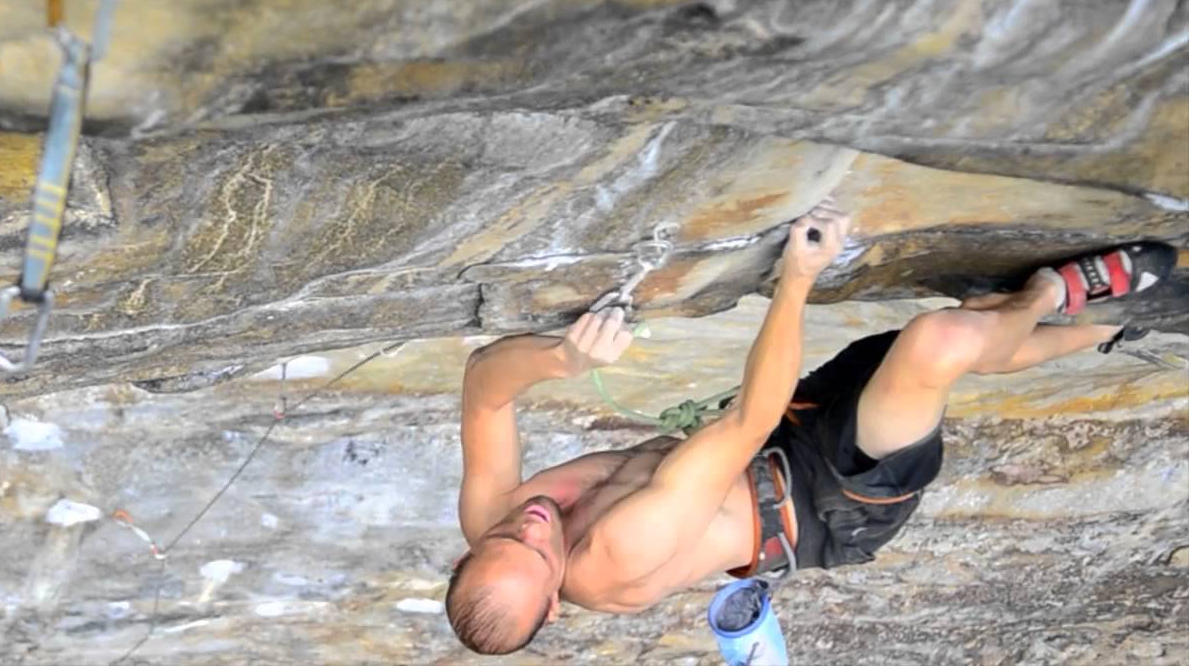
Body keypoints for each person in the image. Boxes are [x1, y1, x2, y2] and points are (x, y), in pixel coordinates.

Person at [445, 199, 1175, 655]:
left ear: (471, 552)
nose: (533, 523)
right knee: (937, 345)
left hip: (782, 445)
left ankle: (1108, 324)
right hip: (831, 504)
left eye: (506, 538)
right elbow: (747, 416)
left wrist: (563, 358)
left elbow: (483, 388)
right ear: (552, 606)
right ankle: (1057, 291)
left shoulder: (494, 520)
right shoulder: (617, 553)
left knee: (959, 335)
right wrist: (797, 277)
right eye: (536, 553)